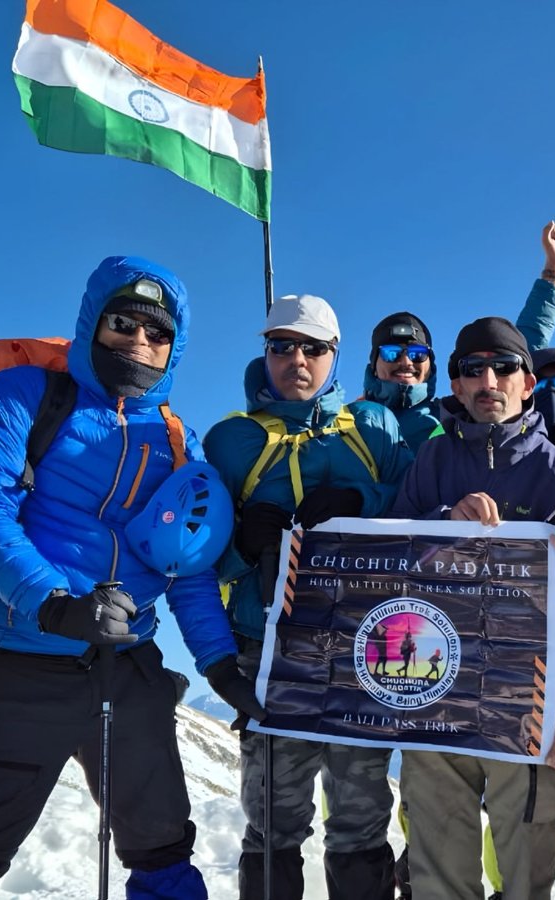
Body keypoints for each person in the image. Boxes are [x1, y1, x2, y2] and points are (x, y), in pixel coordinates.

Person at [0, 256, 257, 899]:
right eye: (123, 322)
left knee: (162, 844)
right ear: (92, 322)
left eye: (158, 332)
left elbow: (187, 567)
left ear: (175, 346)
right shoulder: (23, 394)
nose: (140, 340)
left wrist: (221, 666)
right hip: (22, 660)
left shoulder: (176, 439)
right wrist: (53, 603)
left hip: (129, 665)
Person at [203, 293, 413, 900]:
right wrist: (243, 544)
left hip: (362, 649)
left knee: (361, 814)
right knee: (272, 818)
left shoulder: (373, 426)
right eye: (282, 346)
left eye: (313, 347)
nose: (297, 359)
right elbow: (191, 552)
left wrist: (360, 500)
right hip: (266, 648)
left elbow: (416, 501)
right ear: (266, 352)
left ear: (335, 355)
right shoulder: (230, 441)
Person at [389, 315, 555, 900]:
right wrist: (442, 523)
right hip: (434, 698)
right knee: (438, 882)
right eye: (473, 369)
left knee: (526, 881)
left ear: (527, 384)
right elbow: (388, 568)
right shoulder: (431, 462)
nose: (489, 380)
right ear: (455, 385)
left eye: (504, 368)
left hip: (528, 705)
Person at [364, 221, 555, 450]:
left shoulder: (453, 417)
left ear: (430, 365)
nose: (406, 362)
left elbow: (519, 348)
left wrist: (553, 273)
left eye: (417, 354)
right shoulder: (350, 422)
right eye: (392, 353)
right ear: (374, 365)